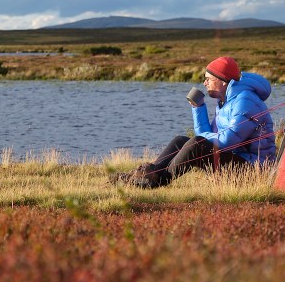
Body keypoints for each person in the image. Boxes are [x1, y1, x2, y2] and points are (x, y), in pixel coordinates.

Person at [112, 56, 276, 188]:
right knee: (181, 140)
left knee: (196, 144)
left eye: (208, 79)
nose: (204, 83)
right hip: (237, 159)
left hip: (254, 169)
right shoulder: (226, 101)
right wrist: (198, 108)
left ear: (223, 81)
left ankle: (155, 181)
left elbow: (226, 141)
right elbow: (208, 136)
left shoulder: (245, 101)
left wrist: (200, 140)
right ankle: (151, 172)